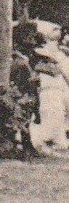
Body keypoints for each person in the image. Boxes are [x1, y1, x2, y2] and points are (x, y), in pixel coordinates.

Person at [30, 21, 69, 153]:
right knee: (53, 115)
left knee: (57, 115)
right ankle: (46, 140)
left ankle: (57, 140)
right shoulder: (47, 66)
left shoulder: (50, 65)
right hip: (50, 93)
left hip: (54, 93)